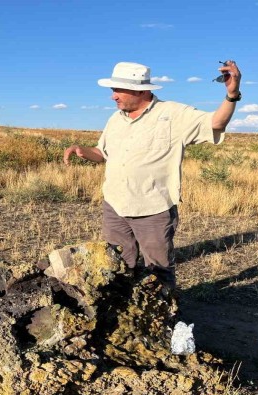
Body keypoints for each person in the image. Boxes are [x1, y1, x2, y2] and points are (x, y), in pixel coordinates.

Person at [64, 60, 241, 293]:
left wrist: (232, 94)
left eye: (118, 90)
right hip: (115, 205)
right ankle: (126, 309)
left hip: (153, 209)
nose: (113, 96)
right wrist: (82, 151)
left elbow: (216, 123)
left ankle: (164, 312)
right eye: (113, 90)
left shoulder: (173, 114)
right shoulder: (115, 119)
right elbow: (102, 154)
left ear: (141, 90)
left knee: (158, 271)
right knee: (117, 266)